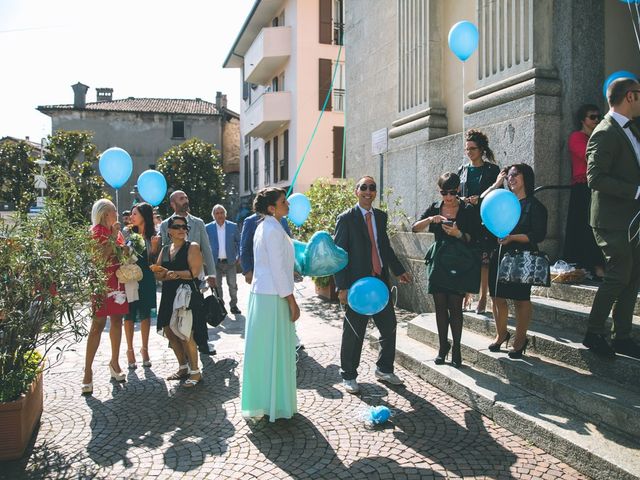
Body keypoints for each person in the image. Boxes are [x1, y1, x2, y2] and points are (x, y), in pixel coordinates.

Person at [334, 176, 412, 394]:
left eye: (372, 188)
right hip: (357, 286)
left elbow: (384, 247)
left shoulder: (380, 216)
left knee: (389, 326)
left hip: (379, 283)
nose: (369, 191)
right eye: (364, 187)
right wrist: (342, 286)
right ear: (356, 191)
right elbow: (339, 255)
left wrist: (399, 271)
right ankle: (348, 375)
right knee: (354, 332)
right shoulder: (346, 219)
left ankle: (384, 369)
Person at [583, 77, 640, 359]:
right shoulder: (604, 131)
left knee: (632, 276)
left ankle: (622, 336)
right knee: (619, 273)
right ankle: (594, 332)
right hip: (611, 220)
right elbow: (595, 178)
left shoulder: (631, 130)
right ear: (630, 96)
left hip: (632, 220)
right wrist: (636, 191)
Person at [241, 188, 300, 421]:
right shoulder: (272, 229)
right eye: (284, 201)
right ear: (271, 208)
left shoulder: (265, 226)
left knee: (264, 352)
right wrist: (291, 300)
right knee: (274, 351)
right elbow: (276, 268)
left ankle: (266, 402)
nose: (288, 204)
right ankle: (275, 404)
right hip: (273, 297)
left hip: (263, 295)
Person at [412, 172, 479, 367]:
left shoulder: (467, 209)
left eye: (451, 192)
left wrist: (458, 233)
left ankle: (457, 348)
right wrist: (431, 219)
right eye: (443, 192)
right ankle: (443, 347)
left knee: (455, 307)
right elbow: (415, 228)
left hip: (460, 262)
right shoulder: (435, 207)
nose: (448, 197)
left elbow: (475, 238)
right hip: (439, 261)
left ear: (458, 189)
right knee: (440, 307)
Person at [484, 164, 548, 359]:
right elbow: (482, 204)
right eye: (508, 175)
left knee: (521, 299)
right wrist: (496, 183)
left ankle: (520, 339)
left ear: (526, 177)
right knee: (496, 297)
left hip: (522, 257)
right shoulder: (501, 200)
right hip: (500, 253)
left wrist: (513, 237)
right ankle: (501, 334)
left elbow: (538, 234)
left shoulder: (535, 206)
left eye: (515, 175)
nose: (511, 178)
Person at [159, 190, 217, 355]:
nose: (185, 200)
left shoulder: (198, 223)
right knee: (176, 311)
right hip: (175, 276)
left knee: (197, 311)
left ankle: (203, 343)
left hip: (195, 275)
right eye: (181, 198)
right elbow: (164, 250)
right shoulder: (165, 225)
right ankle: (180, 345)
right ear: (173, 204)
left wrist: (211, 274)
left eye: (185, 197)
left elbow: (206, 248)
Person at [81, 199, 129, 395]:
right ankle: (87, 370)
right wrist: (116, 235)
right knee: (97, 325)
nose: (117, 214)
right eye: (113, 211)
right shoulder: (96, 232)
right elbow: (100, 258)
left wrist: (126, 250)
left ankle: (115, 362)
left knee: (117, 321)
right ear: (104, 214)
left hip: (117, 282)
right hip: (101, 283)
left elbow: (121, 256)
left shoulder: (115, 234)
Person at [153, 216, 204, 387]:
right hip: (168, 294)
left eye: (184, 226)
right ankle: (183, 366)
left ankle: (196, 371)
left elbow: (194, 272)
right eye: (177, 226)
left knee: (185, 331)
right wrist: (161, 273)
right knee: (169, 330)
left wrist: (174, 274)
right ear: (169, 230)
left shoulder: (192, 247)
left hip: (185, 294)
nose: (182, 229)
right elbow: (158, 272)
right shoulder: (166, 248)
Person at [458, 129, 500, 313]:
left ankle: (483, 298)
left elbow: (497, 195)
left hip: (485, 219)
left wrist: (480, 200)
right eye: (467, 149)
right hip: (467, 219)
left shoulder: (492, 170)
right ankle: (468, 295)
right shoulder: (462, 170)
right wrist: (464, 200)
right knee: (467, 259)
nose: (469, 152)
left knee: (484, 261)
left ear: (481, 149)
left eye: (472, 148)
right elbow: (456, 194)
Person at [563, 104, 606, 279]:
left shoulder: (599, 137)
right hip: (582, 188)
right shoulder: (577, 137)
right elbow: (590, 158)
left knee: (596, 228)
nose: (596, 120)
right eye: (592, 117)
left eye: (598, 116)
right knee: (583, 228)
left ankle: (597, 265)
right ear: (583, 119)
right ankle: (588, 266)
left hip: (598, 187)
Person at [123, 202, 160, 369]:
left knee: (146, 314)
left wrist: (153, 249)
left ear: (144, 216)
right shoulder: (128, 233)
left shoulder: (154, 234)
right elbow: (123, 258)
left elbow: (156, 262)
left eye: (135, 214)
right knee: (129, 315)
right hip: (131, 277)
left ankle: (145, 349)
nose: (132, 217)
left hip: (147, 278)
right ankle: (129, 351)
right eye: (132, 214)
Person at [206, 204, 241, 314]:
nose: (220, 215)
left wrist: (238, 255)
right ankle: (221, 306)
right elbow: (204, 244)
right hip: (215, 262)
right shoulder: (208, 228)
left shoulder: (233, 226)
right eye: (217, 213)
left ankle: (234, 305)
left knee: (233, 285)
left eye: (222, 213)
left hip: (230, 261)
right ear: (214, 215)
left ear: (225, 214)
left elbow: (239, 242)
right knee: (217, 286)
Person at [240, 210, 291, 285]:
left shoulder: (283, 220)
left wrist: (293, 267)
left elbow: (289, 244)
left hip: (281, 268)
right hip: (260, 271)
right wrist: (247, 270)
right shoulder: (250, 221)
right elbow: (245, 247)